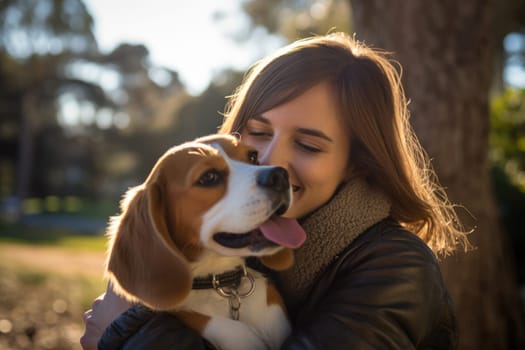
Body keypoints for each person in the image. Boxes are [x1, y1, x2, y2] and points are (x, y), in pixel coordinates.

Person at [81, 32, 469, 349]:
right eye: (258, 137)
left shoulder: (398, 269)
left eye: (309, 146)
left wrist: (130, 335)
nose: (270, 165)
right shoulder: (241, 247)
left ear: (357, 162)